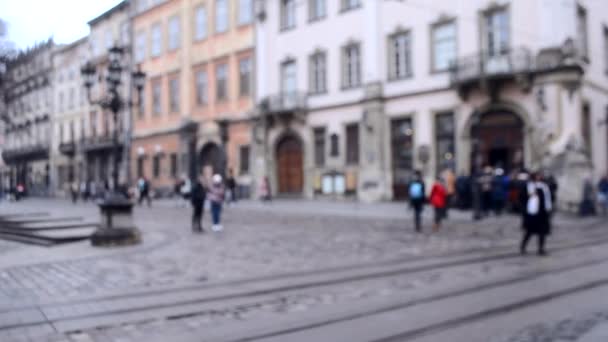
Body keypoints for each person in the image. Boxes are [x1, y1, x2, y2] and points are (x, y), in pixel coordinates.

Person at [520, 172, 552, 256]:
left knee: (542, 232)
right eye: (537, 176)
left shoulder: (544, 186)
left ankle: (541, 249)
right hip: (532, 212)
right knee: (529, 231)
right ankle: (523, 246)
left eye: (540, 175)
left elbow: (547, 198)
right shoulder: (529, 185)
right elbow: (523, 197)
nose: (539, 177)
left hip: (542, 212)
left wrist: (548, 208)